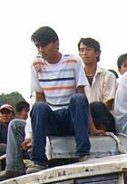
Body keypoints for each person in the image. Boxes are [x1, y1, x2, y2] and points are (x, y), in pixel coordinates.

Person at [27, 26, 104, 174]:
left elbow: (82, 96)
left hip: (70, 118)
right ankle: (38, 160)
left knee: (77, 98)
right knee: (39, 107)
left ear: (56, 44)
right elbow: (39, 99)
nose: (41, 50)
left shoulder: (73, 61)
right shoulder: (36, 65)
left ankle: (83, 153)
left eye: (44, 45)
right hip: (52, 119)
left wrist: (92, 128)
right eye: (38, 46)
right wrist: (31, 134)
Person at [78, 37, 116, 133]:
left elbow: (109, 102)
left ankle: (101, 134)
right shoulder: (76, 77)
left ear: (97, 53)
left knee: (97, 106)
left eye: (88, 49)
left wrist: (90, 110)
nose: (84, 53)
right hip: (84, 117)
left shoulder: (108, 75)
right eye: (82, 50)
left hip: (104, 117)